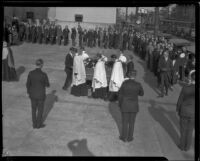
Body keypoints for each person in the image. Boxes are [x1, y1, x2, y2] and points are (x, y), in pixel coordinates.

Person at [118, 70, 144, 142]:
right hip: (134, 106)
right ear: (135, 76)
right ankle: (130, 138)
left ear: (129, 76)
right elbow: (142, 94)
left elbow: (120, 94)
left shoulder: (124, 83)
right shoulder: (138, 84)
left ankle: (123, 137)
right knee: (132, 122)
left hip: (125, 105)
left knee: (125, 122)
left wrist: (120, 104)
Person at [26, 59, 50, 129]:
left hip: (32, 95)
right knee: (40, 110)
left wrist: (29, 92)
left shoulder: (31, 73)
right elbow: (47, 85)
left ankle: (34, 124)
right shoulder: (43, 74)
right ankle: (38, 125)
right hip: (40, 95)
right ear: (41, 65)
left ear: (35, 64)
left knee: (33, 110)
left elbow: (27, 84)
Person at [176, 70, 195, 151]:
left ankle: (182, 146)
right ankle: (187, 147)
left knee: (183, 130)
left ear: (191, 79)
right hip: (193, 113)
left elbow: (180, 100)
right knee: (190, 130)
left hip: (184, 111)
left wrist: (178, 109)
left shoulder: (185, 88)